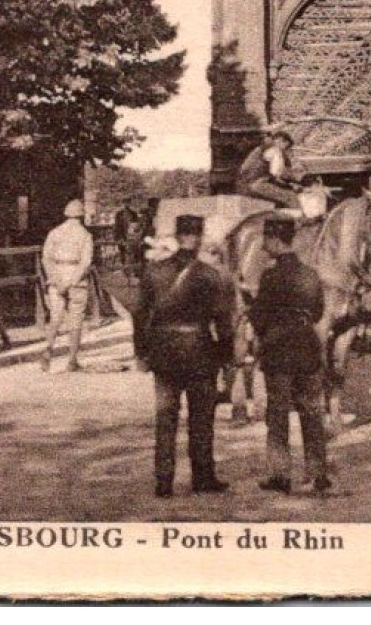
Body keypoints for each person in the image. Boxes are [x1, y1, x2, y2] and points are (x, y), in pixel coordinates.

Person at [135, 214, 235, 498]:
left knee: (165, 417)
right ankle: (203, 477)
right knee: (201, 418)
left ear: (177, 238)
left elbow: (139, 315)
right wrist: (226, 357)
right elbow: (222, 320)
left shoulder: (153, 271)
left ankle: (163, 480)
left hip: (164, 352)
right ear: (199, 238)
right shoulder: (209, 274)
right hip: (199, 351)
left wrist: (142, 352)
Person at [251, 219, 330, 495]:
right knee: (311, 413)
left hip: (279, 350)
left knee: (278, 415)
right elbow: (318, 311)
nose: (263, 245)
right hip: (307, 348)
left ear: (274, 241)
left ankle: (280, 475)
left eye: (265, 239)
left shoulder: (269, 276)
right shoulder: (311, 274)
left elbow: (259, 318)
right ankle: (318, 473)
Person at [40, 199, 95, 372]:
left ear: (66, 214)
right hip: (76, 279)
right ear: (81, 216)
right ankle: (72, 361)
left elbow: (46, 258)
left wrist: (56, 279)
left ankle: (48, 350)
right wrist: (72, 281)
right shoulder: (85, 236)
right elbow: (86, 262)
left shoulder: (54, 233)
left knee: (55, 317)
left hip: (57, 276)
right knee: (76, 320)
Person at [238, 130, 302, 209]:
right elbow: (276, 172)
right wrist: (292, 183)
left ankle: (281, 219)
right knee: (291, 197)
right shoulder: (275, 150)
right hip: (259, 184)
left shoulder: (260, 148)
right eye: (286, 146)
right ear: (281, 141)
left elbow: (244, 168)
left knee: (279, 199)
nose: (285, 149)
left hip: (246, 184)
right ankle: (302, 220)